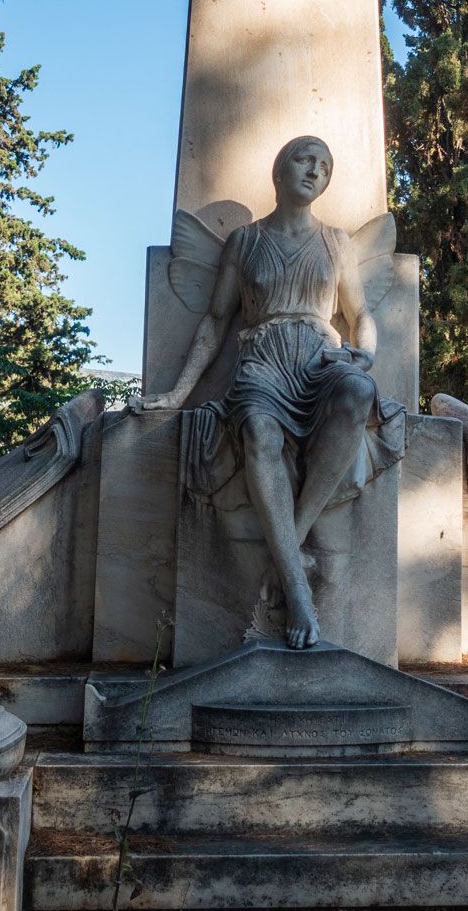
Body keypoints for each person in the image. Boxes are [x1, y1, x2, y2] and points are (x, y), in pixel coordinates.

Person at [135, 135, 404, 648]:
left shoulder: (338, 242)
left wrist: (363, 354)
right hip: (262, 361)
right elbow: (215, 320)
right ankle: (298, 591)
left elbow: (361, 316)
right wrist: (176, 394)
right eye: (305, 160)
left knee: (357, 391)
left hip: (321, 357)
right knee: (258, 430)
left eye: (325, 166)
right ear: (279, 170)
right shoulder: (245, 241)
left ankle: (288, 554)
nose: (315, 171)